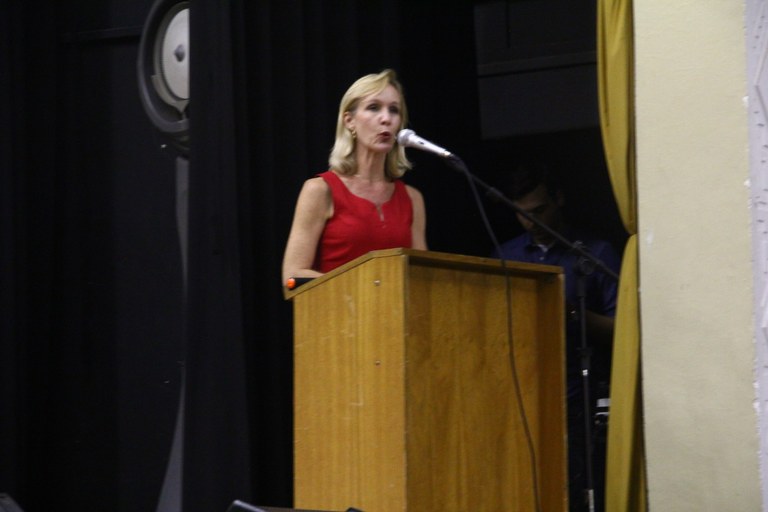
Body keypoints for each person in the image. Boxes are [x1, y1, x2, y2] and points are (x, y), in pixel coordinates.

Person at [492, 163, 621, 512]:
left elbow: (620, 330)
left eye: (539, 211)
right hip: (521, 397)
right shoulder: (506, 256)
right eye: (521, 215)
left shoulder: (596, 252)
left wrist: (572, 316)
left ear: (559, 199)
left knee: (578, 491)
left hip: (581, 397)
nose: (531, 223)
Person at [282, 69, 427, 284]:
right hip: (340, 314)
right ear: (349, 121)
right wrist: (368, 289)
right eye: (374, 108)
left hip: (397, 316)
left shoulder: (412, 198)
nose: (386, 118)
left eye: (394, 110)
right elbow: (293, 276)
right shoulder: (320, 190)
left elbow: (422, 276)